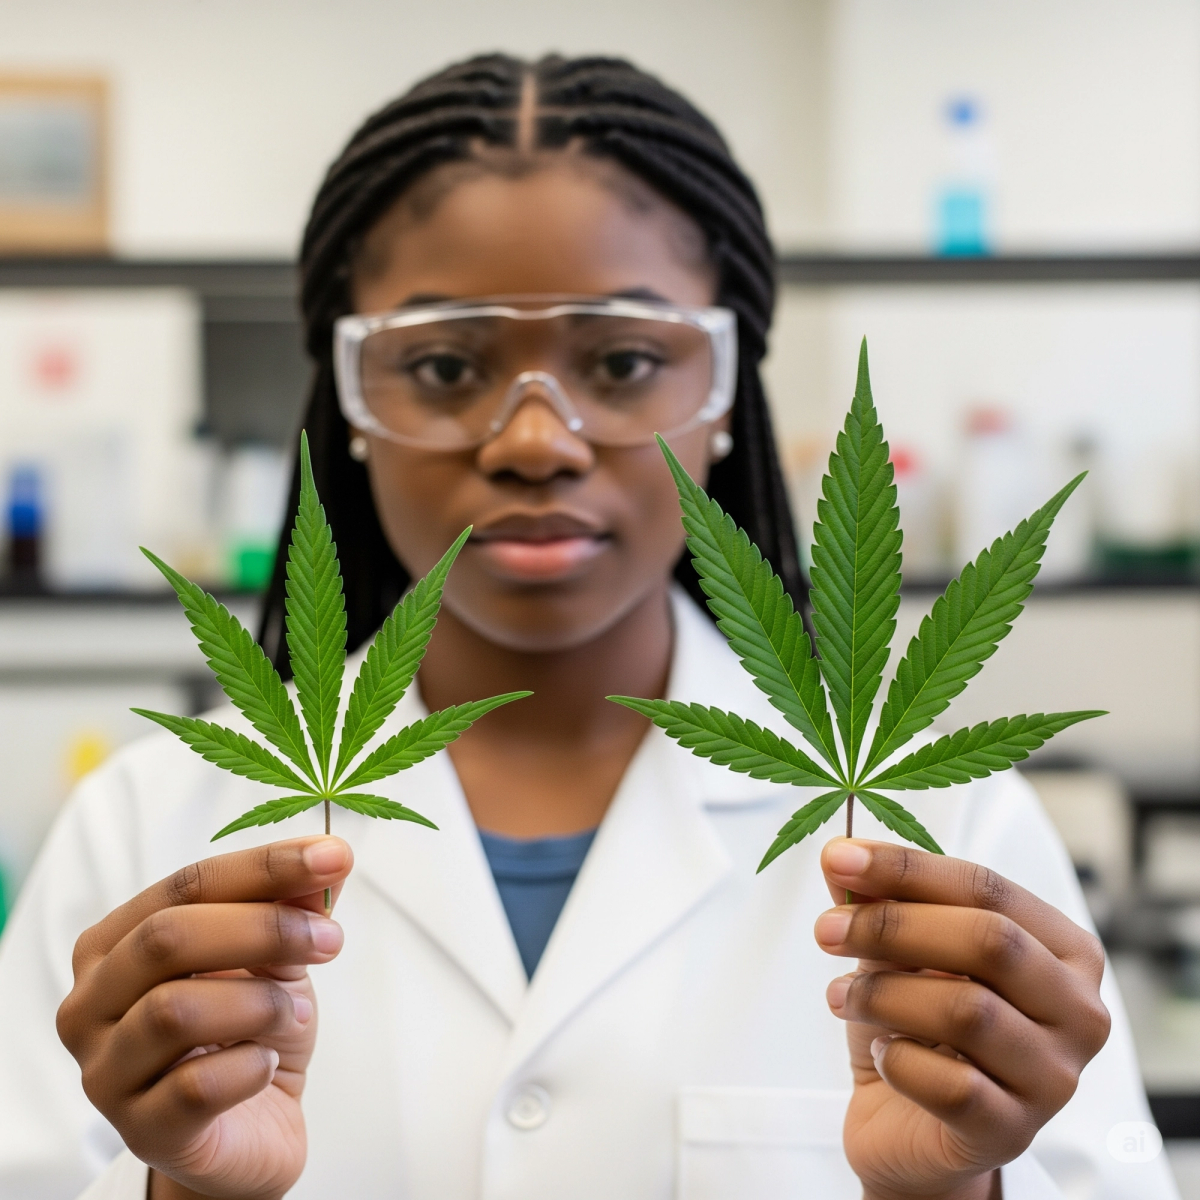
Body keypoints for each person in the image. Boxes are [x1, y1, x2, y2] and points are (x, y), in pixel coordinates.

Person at [0, 54, 1176, 1200]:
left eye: (621, 360)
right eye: (448, 364)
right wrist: (187, 1192)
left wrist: (953, 1193)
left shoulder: (949, 827)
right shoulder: (151, 827)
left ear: (724, 397)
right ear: (350, 405)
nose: (533, 441)